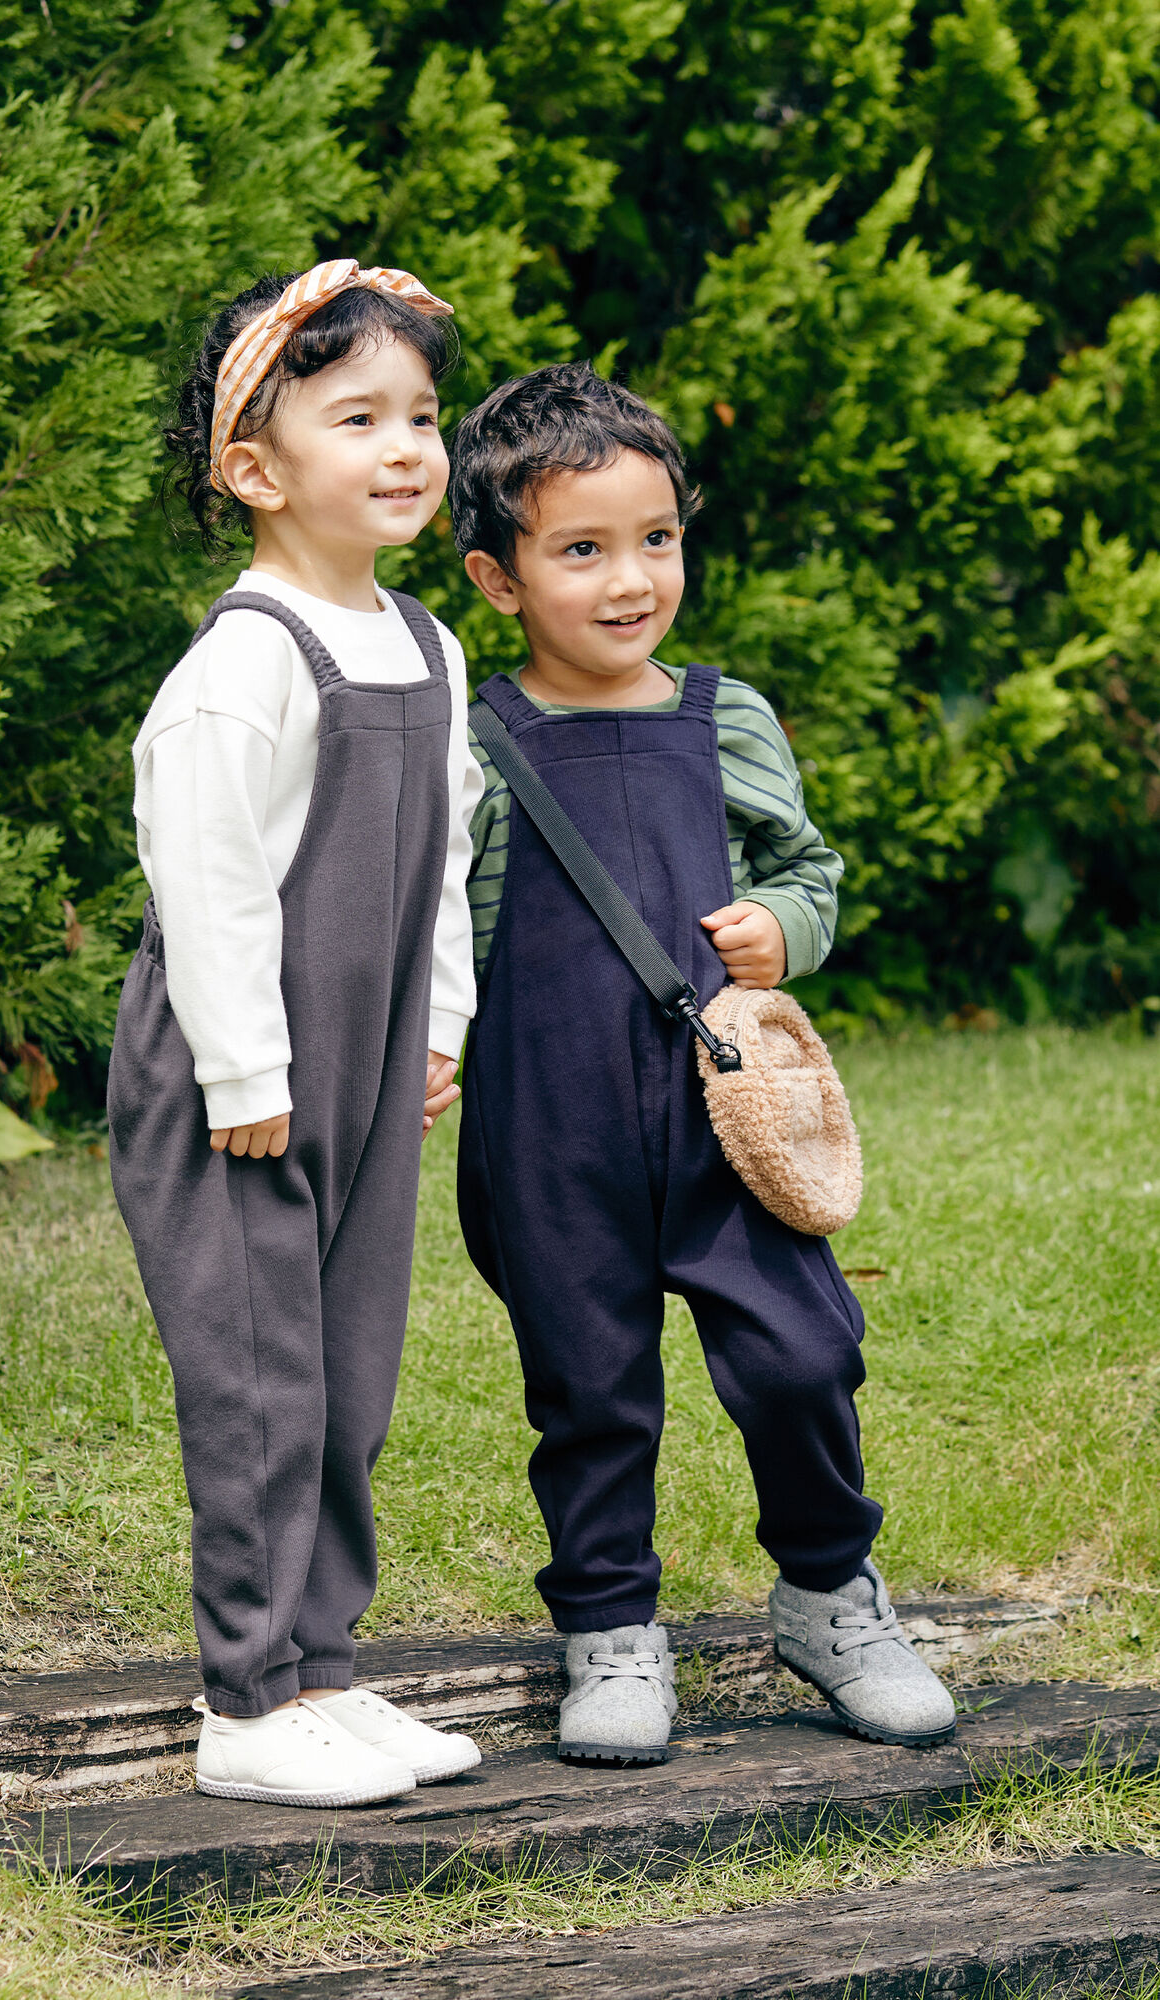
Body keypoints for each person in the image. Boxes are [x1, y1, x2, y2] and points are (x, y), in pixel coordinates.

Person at [448, 362, 955, 1766]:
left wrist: (782, 932)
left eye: (657, 538)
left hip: (725, 1114)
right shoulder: (480, 745)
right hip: (545, 1126)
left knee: (803, 1357)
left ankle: (831, 1598)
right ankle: (609, 1630)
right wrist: (430, 1045)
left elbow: (811, 869)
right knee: (590, 1385)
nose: (631, 579)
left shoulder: (724, 718)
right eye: (583, 549)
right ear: (500, 579)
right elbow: (444, 926)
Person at [108, 261, 485, 1808]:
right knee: (261, 1380)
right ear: (256, 468)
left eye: (421, 414)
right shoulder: (247, 664)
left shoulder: (430, 647)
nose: (406, 447)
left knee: (347, 1368)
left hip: (366, 1062)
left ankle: (325, 1666)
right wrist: (250, 1072)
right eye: (359, 418)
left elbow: (447, 862)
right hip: (233, 1084)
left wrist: (439, 1024)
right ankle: (247, 1701)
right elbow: (203, 882)